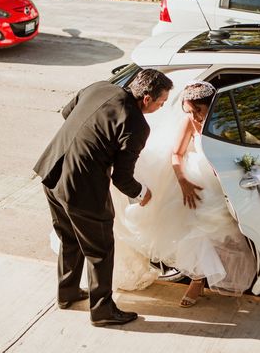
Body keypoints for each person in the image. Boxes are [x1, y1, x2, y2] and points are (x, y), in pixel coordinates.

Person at [33, 69, 173, 327]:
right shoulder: (136, 125)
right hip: (82, 188)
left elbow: (67, 113)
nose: (161, 107)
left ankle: (68, 293)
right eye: (161, 102)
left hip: (51, 170)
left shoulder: (100, 87)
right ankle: (102, 310)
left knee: (69, 236)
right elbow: (122, 178)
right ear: (146, 99)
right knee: (101, 249)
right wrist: (142, 193)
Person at [114, 80, 256, 307]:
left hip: (221, 178)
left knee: (224, 230)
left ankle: (220, 273)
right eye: (190, 112)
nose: (195, 117)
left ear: (211, 106)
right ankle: (197, 280)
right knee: (195, 229)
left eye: (198, 111)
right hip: (194, 178)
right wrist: (183, 182)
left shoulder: (226, 121)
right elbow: (177, 154)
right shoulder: (189, 122)